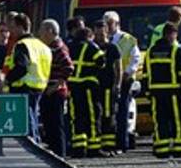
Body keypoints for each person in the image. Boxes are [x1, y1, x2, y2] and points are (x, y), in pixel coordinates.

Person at [3, 12, 51, 143]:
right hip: (40, 87)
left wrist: (7, 79)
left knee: (27, 122)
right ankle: (37, 143)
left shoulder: (22, 45)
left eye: (12, 27)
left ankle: (33, 147)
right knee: (33, 118)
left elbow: (21, 67)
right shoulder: (42, 46)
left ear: (20, 27)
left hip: (24, 87)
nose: (11, 31)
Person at [145, 21, 181, 158]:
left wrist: (147, 92)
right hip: (174, 92)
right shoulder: (176, 51)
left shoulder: (151, 51)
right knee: (178, 120)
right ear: (172, 34)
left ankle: (161, 149)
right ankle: (180, 148)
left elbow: (146, 74)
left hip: (156, 93)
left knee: (160, 121)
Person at [105, 11, 142, 152]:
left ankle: (122, 143)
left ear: (117, 24)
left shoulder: (128, 39)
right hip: (109, 81)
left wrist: (128, 72)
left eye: (110, 23)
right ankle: (109, 143)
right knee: (108, 113)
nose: (107, 27)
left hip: (125, 80)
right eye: (106, 24)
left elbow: (136, 58)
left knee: (122, 112)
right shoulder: (103, 39)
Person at [67, 18, 105, 158]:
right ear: (90, 36)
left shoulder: (70, 46)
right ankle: (94, 147)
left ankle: (79, 147)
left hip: (73, 87)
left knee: (76, 116)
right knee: (93, 116)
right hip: (88, 86)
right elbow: (101, 61)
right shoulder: (91, 46)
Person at [39, 19, 74, 157]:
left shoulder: (58, 47)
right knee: (49, 125)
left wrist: (56, 85)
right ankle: (54, 152)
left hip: (56, 92)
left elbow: (69, 67)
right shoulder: (48, 46)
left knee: (56, 124)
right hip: (48, 91)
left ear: (50, 31)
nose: (40, 33)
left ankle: (60, 154)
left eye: (42, 30)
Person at [92, 20, 122, 153]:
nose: (99, 37)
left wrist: (118, 84)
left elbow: (118, 68)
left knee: (109, 115)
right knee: (96, 114)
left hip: (109, 87)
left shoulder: (113, 48)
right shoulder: (91, 48)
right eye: (97, 35)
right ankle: (97, 145)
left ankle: (109, 145)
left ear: (107, 32)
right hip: (95, 86)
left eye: (101, 34)